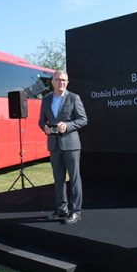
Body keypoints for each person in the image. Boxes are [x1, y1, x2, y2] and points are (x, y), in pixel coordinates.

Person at [39, 70, 88, 224]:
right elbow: (41, 121)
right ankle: (62, 210)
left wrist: (67, 126)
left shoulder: (74, 98)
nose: (62, 82)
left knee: (74, 179)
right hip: (54, 145)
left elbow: (83, 120)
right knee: (58, 179)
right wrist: (45, 128)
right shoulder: (46, 100)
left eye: (65, 80)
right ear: (52, 81)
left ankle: (76, 211)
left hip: (71, 145)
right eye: (59, 79)